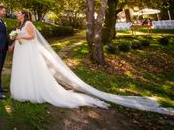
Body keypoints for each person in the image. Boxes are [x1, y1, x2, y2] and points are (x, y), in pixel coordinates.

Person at [10, 10, 173, 115]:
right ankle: (24, 88)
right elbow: (22, 36)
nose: (17, 15)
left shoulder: (29, 24)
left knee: (31, 70)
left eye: (18, 13)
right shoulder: (20, 24)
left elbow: (31, 37)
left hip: (28, 52)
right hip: (23, 52)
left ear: (24, 15)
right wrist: (15, 40)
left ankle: (32, 90)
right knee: (24, 70)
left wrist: (19, 37)